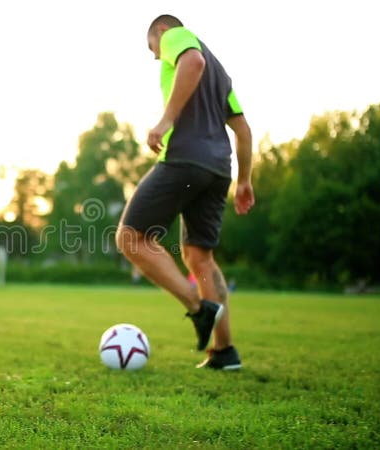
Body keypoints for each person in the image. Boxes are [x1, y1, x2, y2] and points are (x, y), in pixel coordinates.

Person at [115, 14, 255, 370]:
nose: (155, 56)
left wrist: (165, 121)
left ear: (161, 32)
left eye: (153, 48)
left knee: (131, 238)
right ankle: (225, 352)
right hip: (218, 168)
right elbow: (243, 131)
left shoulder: (176, 37)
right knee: (199, 257)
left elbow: (193, 61)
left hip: (184, 158)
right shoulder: (222, 77)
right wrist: (244, 180)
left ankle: (197, 306)